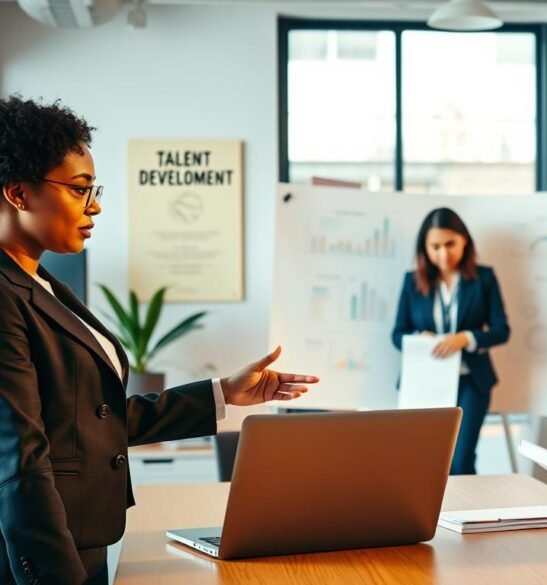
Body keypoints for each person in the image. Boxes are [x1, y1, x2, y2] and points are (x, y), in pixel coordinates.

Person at [0, 96, 319, 584]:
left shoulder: (42, 284)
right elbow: (19, 464)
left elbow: (91, 421)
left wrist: (224, 392)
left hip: (82, 536)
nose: (96, 205)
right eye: (80, 189)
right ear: (19, 193)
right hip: (45, 557)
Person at [391, 207, 509, 475]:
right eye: (435, 247)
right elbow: (397, 334)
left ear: (464, 240)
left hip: (471, 382)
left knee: (461, 459)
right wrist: (417, 340)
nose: (443, 254)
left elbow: (502, 330)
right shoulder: (412, 281)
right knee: (425, 460)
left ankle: (463, 516)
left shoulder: (484, 278)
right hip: (425, 384)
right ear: (424, 247)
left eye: (450, 244)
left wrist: (465, 338)